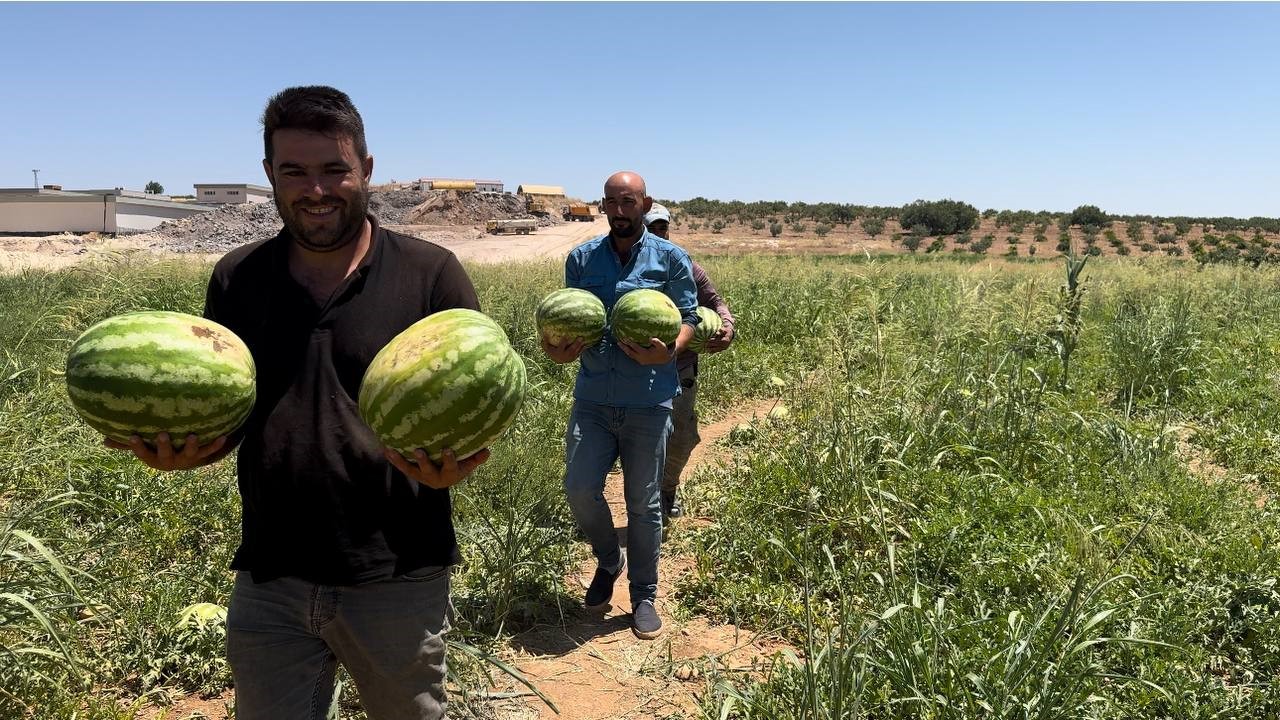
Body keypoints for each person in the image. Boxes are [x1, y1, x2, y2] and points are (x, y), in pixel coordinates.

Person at [104, 85, 487, 720]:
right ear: (269, 177)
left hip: (395, 574)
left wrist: (459, 463)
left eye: (334, 169)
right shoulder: (236, 277)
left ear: (366, 168)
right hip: (271, 572)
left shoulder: (430, 273)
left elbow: (472, 399)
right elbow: (227, 409)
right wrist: (188, 450)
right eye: (295, 172)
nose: (316, 190)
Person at [541, 171, 698, 639]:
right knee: (579, 488)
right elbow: (569, 318)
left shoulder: (671, 258)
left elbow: (688, 317)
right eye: (611, 202)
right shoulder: (581, 258)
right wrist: (556, 349)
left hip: (649, 399)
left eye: (628, 201)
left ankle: (644, 593)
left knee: (644, 503)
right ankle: (609, 559)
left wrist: (670, 349)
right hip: (592, 396)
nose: (619, 210)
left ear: (645, 203)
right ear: (604, 205)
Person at [642, 204, 736, 520]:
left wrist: (728, 329)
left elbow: (716, 302)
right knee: (640, 440)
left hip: (681, 369)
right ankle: (637, 501)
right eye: (651, 228)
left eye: (662, 228)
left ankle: (667, 489)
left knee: (681, 438)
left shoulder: (688, 268)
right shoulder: (633, 270)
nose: (658, 234)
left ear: (669, 230)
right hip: (639, 370)